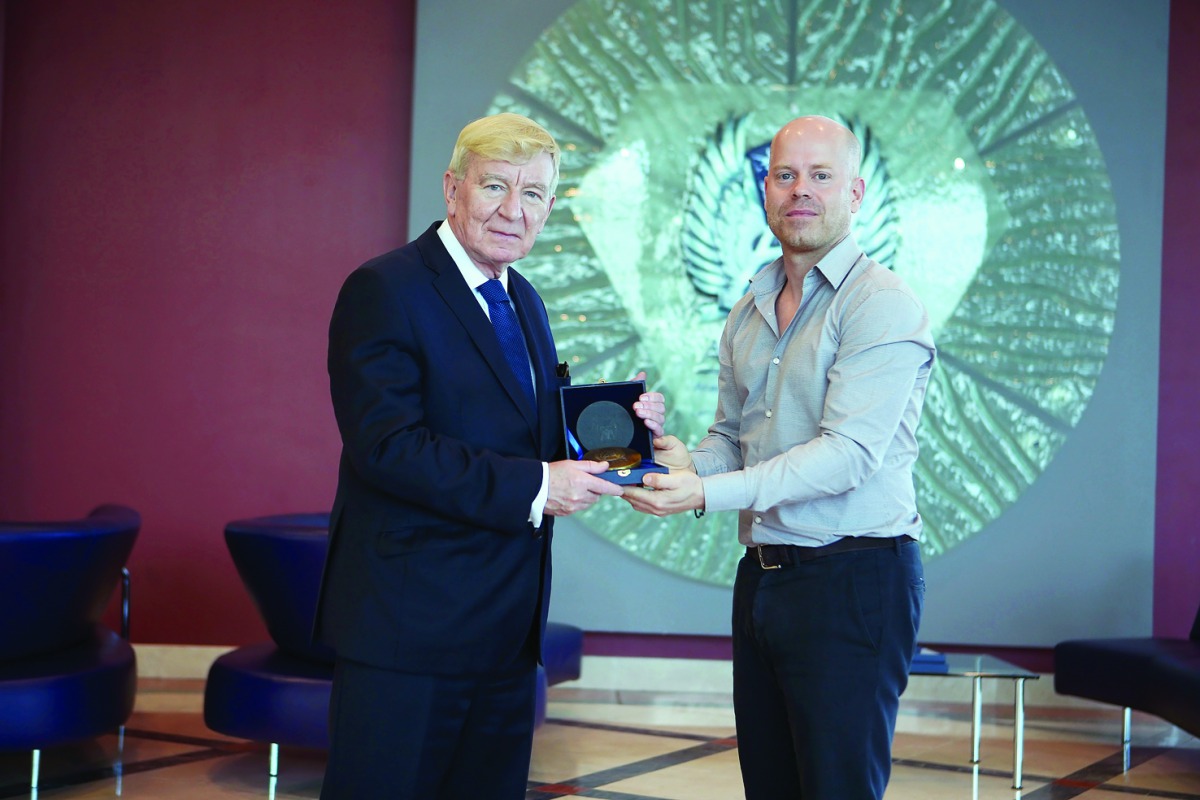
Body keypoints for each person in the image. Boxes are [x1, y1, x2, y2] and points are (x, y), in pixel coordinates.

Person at [314, 112, 664, 800]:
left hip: (506, 635)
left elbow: (523, 429)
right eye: (495, 186)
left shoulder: (524, 299)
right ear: (453, 189)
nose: (513, 210)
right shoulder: (385, 289)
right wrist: (539, 485)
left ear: (550, 209)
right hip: (408, 636)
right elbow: (388, 447)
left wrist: (625, 432)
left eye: (533, 194)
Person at [623, 115, 936, 799]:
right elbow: (732, 438)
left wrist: (708, 493)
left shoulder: (881, 305)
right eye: (785, 174)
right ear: (765, 189)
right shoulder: (751, 306)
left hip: (854, 579)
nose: (801, 190)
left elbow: (847, 456)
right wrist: (680, 464)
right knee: (770, 787)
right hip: (764, 579)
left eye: (821, 176)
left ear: (855, 194)